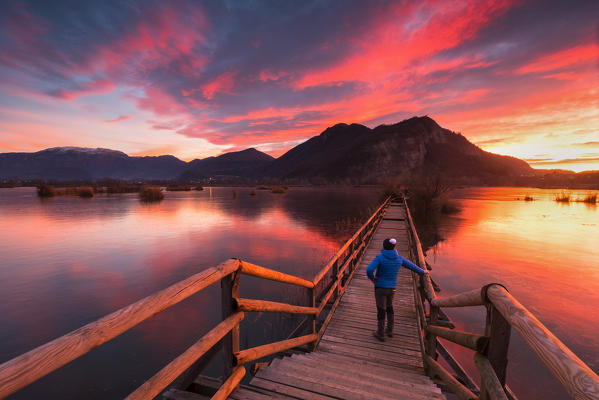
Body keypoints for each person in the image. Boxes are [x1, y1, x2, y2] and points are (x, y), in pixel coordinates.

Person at [366, 238, 427, 341]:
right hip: (392, 289)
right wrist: (422, 271)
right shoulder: (399, 258)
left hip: (380, 288)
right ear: (394, 247)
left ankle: (380, 333)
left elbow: (369, 269)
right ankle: (390, 330)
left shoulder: (380, 257)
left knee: (381, 310)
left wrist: (372, 278)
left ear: (384, 246)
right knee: (390, 307)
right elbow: (411, 266)